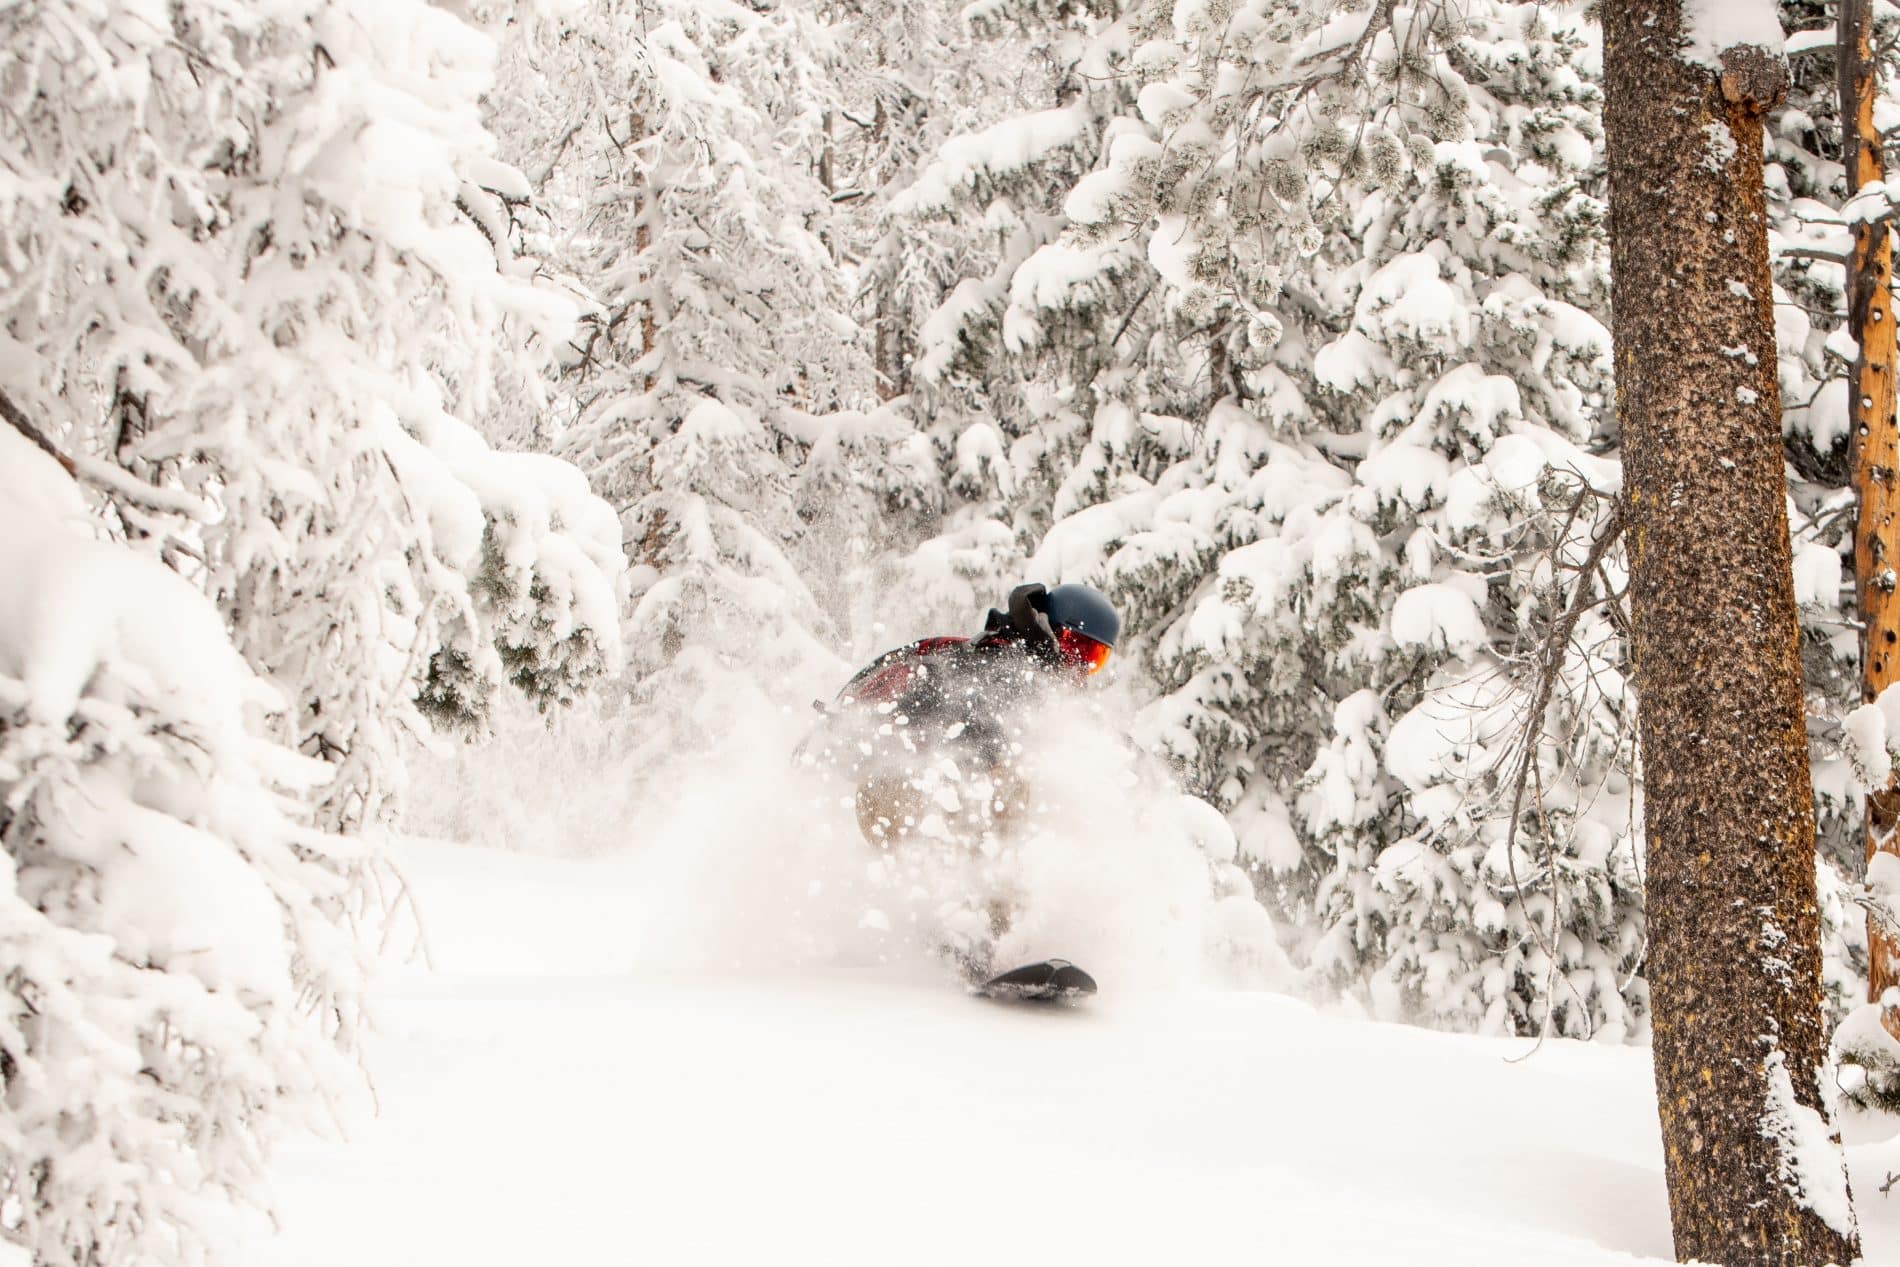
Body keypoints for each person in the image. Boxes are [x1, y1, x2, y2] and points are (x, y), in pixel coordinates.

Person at [817, 582, 1120, 848]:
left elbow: (1097, 741)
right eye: (1076, 647)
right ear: (1051, 631)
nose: (1080, 667)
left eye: (1095, 659)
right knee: (1012, 786)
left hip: (918, 799)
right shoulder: (998, 664)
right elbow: (970, 716)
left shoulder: (1032, 685)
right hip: (892, 787)